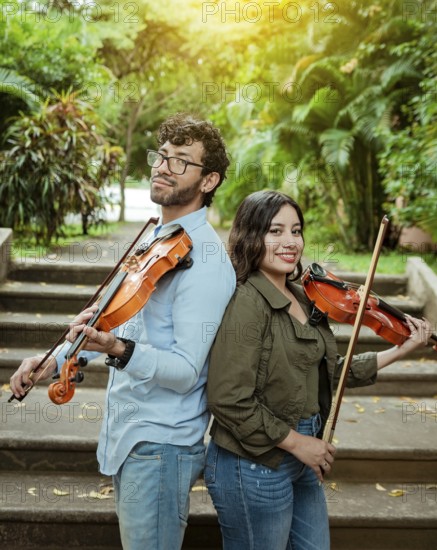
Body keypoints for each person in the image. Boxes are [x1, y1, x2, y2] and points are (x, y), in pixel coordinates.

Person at [10, 113, 236, 550]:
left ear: (209, 181)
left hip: (161, 445)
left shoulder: (204, 260)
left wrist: (116, 346)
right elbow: (111, 318)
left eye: (181, 162)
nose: (163, 167)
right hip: (136, 440)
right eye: (162, 156)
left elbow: (188, 371)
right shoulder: (157, 240)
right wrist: (52, 361)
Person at [205, 190, 432, 550]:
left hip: (302, 452)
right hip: (254, 464)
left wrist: (402, 348)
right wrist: (299, 444)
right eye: (275, 231)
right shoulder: (248, 302)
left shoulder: (302, 295)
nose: (289, 242)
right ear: (251, 236)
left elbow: (331, 372)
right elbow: (227, 399)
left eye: (296, 231)